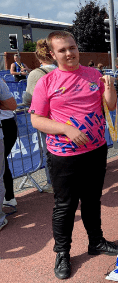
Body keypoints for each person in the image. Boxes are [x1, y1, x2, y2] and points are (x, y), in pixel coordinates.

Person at [29, 31, 118, 280]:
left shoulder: (93, 75)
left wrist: (110, 88)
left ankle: (96, 242)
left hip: (95, 150)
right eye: (62, 50)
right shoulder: (46, 82)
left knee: (92, 199)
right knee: (65, 206)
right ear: (52, 53)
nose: (69, 53)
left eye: (72, 47)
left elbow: (110, 106)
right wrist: (66, 129)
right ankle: (62, 253)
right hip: (64, 155)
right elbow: (36, 119)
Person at [21, 39, 58, 194]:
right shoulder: (62, 70)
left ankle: (53, 183)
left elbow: (28, 98)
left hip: (47, 119)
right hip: (66, 118)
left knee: (50, 151)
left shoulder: (36, 74)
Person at [0, 79, 18, 231]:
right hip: (5, 125)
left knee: (2, 162)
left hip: (6, 125)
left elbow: (13, 105)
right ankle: (9, 197)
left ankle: (9, 197)